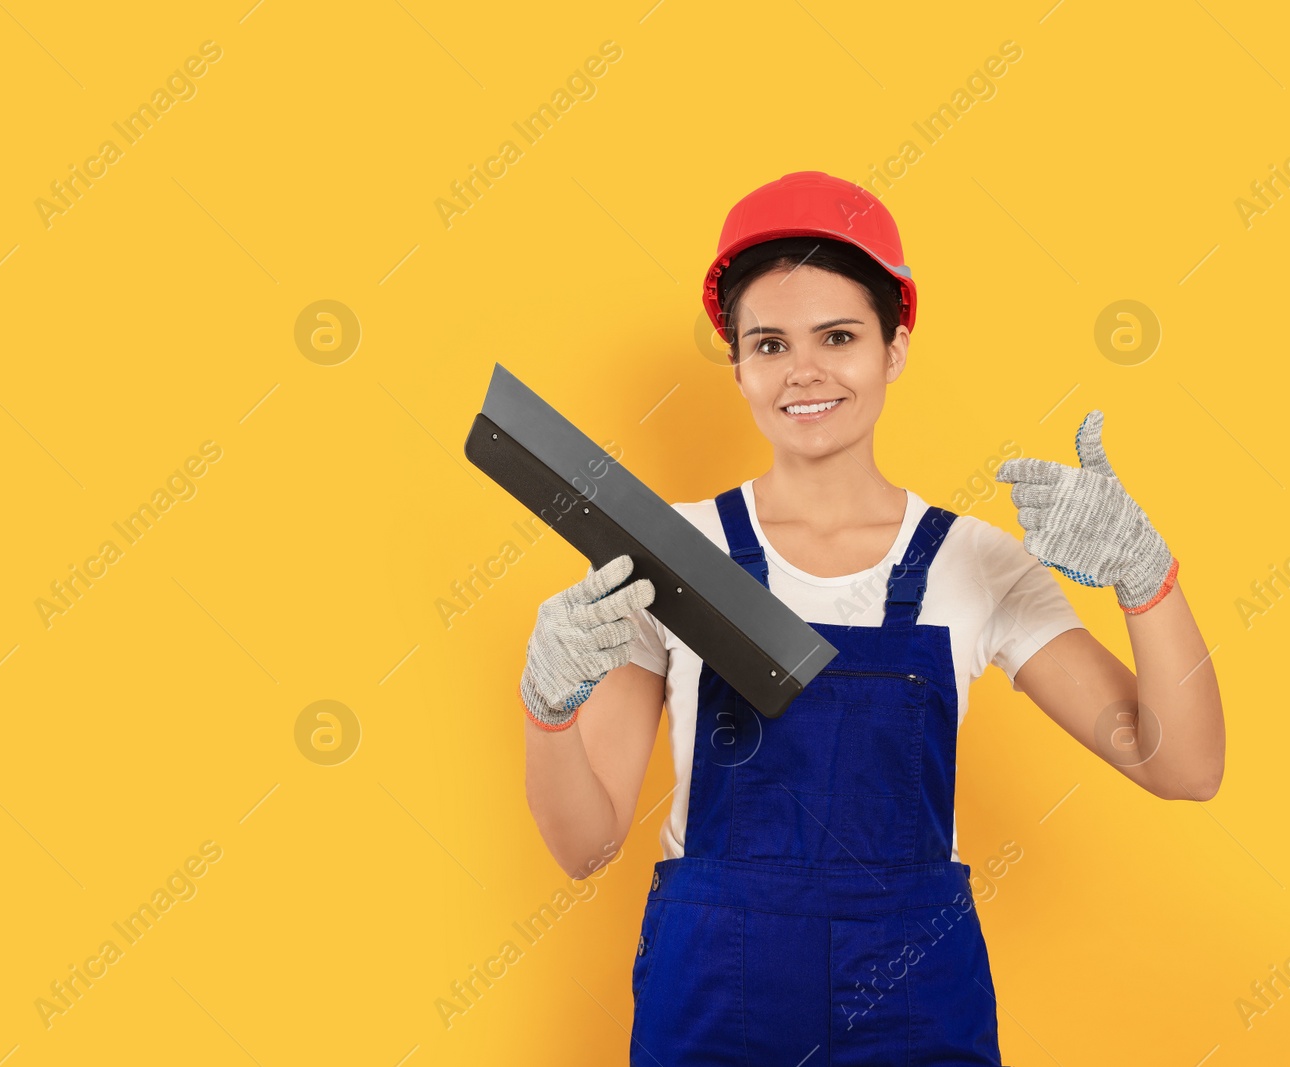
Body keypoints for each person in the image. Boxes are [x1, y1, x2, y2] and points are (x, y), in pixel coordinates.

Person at [518, 170, 1225, 1065]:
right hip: (712, 1005)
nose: (803, 370)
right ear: (735, 364)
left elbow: (1185, 767)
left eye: (839, 336)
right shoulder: (669, 553)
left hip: (914, 1008)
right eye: (768, 344)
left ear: (894, 348)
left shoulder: (977, 561)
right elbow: (585, 846)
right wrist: (546, 709)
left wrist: (1146, 578)